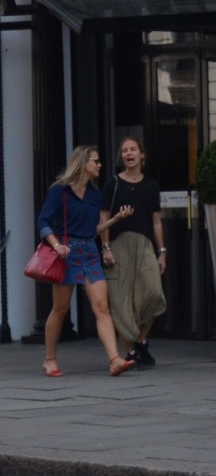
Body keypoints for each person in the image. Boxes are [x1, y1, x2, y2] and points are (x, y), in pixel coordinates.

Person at [37, 145, 135, 377]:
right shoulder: (59, 191)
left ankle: (114, 359)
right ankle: (49, 359)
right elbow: (43, 220)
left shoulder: (94, 194)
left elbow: (95, 228)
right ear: (83, 163)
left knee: (102, 307)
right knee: (60, 309)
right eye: (96, 161)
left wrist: (116, 219)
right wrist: (56, 244)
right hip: (66, 252)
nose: (100, 165)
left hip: (90, 250)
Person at [100, 136, 167, 369]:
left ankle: (140, 341)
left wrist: (162, 252)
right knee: (121, 300)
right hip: (118, 245)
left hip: (145, 246)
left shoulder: (151, 185)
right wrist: (106, 247)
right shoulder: (113, 184)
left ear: (142, 155)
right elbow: (104, 218)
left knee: (154, 293)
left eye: (133, 150)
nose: (128, 154)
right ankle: (129, 354)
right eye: (125, 150)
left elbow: (156, 221)